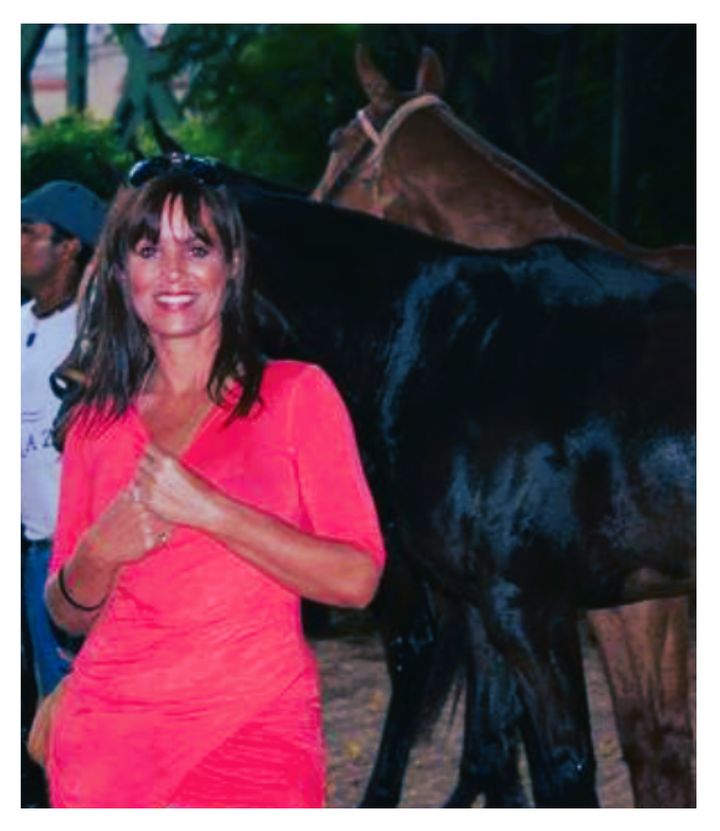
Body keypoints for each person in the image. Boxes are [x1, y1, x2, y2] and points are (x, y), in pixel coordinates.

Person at [43, 154, 385, 808]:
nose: (173, 270)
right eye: (149, 249)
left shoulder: (297, 396)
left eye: (197, 247)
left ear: (230, 269)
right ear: (121, 273)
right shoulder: (95, 425)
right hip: (107, 747)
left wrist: (213, 510)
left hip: (256, 735)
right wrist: (100, 552)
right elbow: (66, 612)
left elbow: (356, 578)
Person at [21, 181, 106, 702]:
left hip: (91, 551)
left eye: (27, 233)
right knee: (55, 709)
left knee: (100, 706)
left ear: (69, 247)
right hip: (34, 553)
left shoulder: (100, 331)